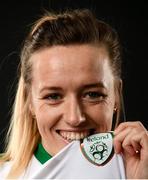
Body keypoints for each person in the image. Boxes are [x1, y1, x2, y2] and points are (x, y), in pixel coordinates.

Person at [0, 9, 148, 179]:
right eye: (53, 96)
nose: (75, 118)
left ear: (116, 94)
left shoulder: (140, 170)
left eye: (92, 94)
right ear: (29, 102)